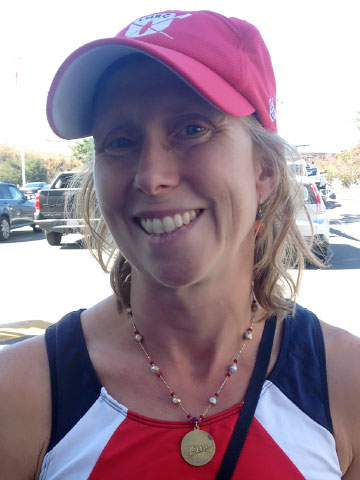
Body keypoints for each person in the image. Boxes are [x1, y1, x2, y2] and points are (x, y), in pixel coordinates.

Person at [0, 9, 359, 479]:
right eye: (120, 141)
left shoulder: (344, 382)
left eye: (192, 129)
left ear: (264, 170)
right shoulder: (21, 395)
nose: (152, 177)